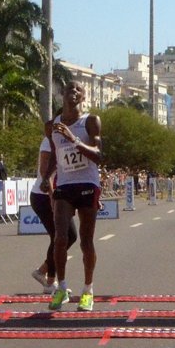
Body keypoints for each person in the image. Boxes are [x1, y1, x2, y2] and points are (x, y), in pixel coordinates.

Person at [47, 80, 103, 312]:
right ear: (62, 95)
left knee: (86, 241)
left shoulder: (91, 121)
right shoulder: (51, 125)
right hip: (65, 186)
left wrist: (74, 140)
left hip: (88, 183)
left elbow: (99, 156)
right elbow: (54, 155)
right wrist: (46, 177)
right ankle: (61, 288)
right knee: (60, 238)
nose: (73, 92)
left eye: (78, 90)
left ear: (83, 96)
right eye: (70, 89)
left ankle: (88, 290)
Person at [28, 132, 77, 293]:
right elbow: (44, 171)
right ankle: (50, 282)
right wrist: (52, 197)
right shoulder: (48, 142)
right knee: (59, 236)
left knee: (70, 236)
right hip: (43, 197)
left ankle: (42, 272)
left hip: (62, 196)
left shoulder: (70, 140)